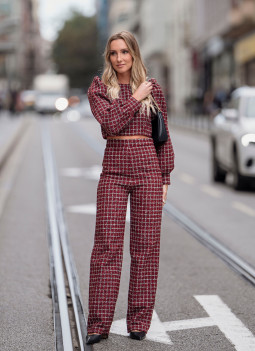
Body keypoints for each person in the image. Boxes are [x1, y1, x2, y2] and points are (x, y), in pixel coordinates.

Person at [86, 30, 174, 345]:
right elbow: (109, 124)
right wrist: (135, 98)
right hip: (114, 172)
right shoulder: (100, 89)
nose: (120, 58)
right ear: (108, 57)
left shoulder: (154, 89)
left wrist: (165, 176)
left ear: (134, 54)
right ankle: (98, 323)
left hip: (148, 170)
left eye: (125, 52)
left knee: (146, 249)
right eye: (114, 53)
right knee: (107, 248)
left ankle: (139, 321)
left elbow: (163, 135)